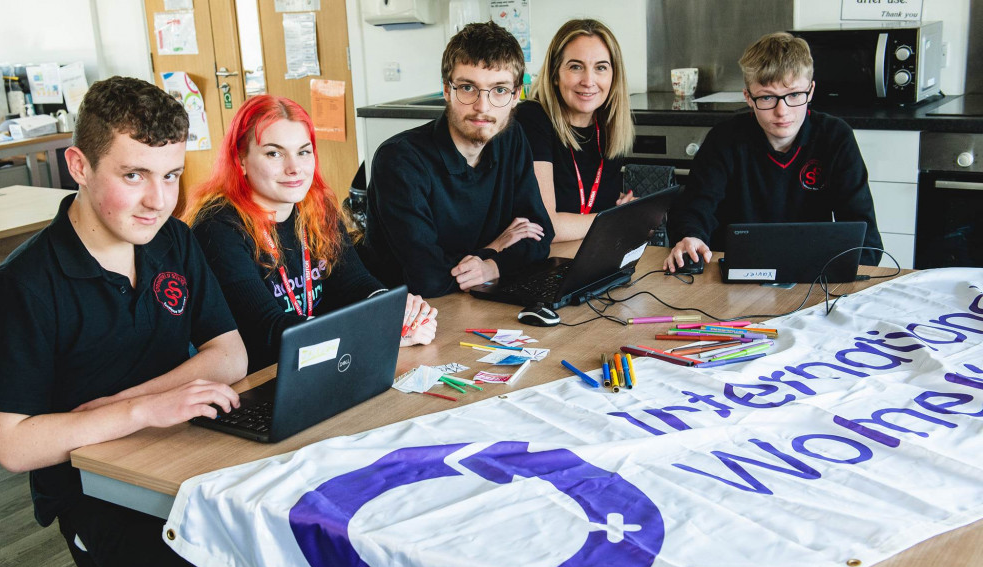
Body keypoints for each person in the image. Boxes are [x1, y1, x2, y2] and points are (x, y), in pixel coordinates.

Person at [0, 76, 281, 567]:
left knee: (313, 543)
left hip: (196, 458)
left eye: (170, 175)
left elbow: (231, 354)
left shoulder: (173, 241)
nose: (158, 199)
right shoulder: (21, 287)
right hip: (102, 506)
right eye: (133, 175)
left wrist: (142, 402)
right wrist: (144, 409)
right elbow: (14, 447)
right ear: (79, 165)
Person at [187, 95, 437, 373]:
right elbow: (268, 330)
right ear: (240, 160)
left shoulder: (316, 207)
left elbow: (354, 282)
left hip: (326, 361)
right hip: (266, 377)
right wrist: (376, 331)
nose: (294, 168)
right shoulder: (217, 228)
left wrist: (394, 310)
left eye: (303, 152)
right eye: (274, 153)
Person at [664, 32, 883, 272]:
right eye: (767, 97)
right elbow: (696, 207)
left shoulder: (835, 138)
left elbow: (864, 237)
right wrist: (690, 237)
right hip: (734, 272)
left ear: (810, 92)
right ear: (748, 97)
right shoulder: (725, 139)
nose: (782, 111)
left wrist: (853, 267)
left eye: (794, 95)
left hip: (812, 272)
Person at [365, 21, 554, 298]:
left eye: (499, 90)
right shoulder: (400, 161)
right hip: (411, 320)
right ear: (446, 90)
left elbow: (540, 237)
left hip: (477, 301)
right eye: (468, 88)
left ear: (516, 96)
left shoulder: (510, 138)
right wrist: (496, 247)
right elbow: (427, 280)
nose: (483, 106)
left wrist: (490, 266)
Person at [517, 18, 636, 242]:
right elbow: (546, 225)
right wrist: (621, 218)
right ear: (555, 74)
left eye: (600, 67)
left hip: (591, 257)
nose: (588, 81)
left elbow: (593, 202)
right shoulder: (532, 118)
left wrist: (628, 208)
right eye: (575, 67)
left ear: (614, 76)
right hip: (543, 262)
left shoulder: (609, 125)